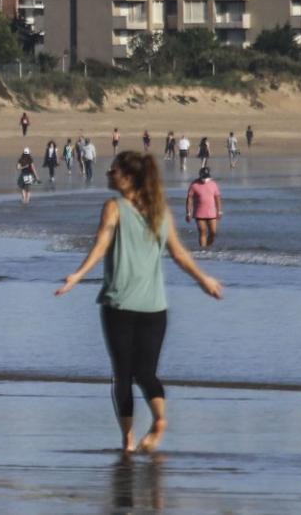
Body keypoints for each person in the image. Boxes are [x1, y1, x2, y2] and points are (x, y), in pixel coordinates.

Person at [55, 151, 223, 454]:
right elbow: (180, 254)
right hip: (156, 308)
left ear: (128, 178)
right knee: (146, 373)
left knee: (122, 374)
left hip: (120, 304)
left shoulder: (114, 207)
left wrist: (78, 275)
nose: (109, 174)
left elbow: (101, 244)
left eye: (114, 170)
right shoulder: (160, 211)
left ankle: (128, 441)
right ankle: (160, 419)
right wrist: (204, 279)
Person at [185, 167, 222, 249]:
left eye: (206, 177)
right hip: (199, 213)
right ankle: (203, 250)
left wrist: (219, 211)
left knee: (213, 232)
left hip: (212, 213)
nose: (205, 179)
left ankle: (207, 248)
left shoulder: (213, 184)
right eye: (203, 177)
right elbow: (189, 199)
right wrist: (188, 212)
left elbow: (217, 198)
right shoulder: (194, 185)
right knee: (203, 231)